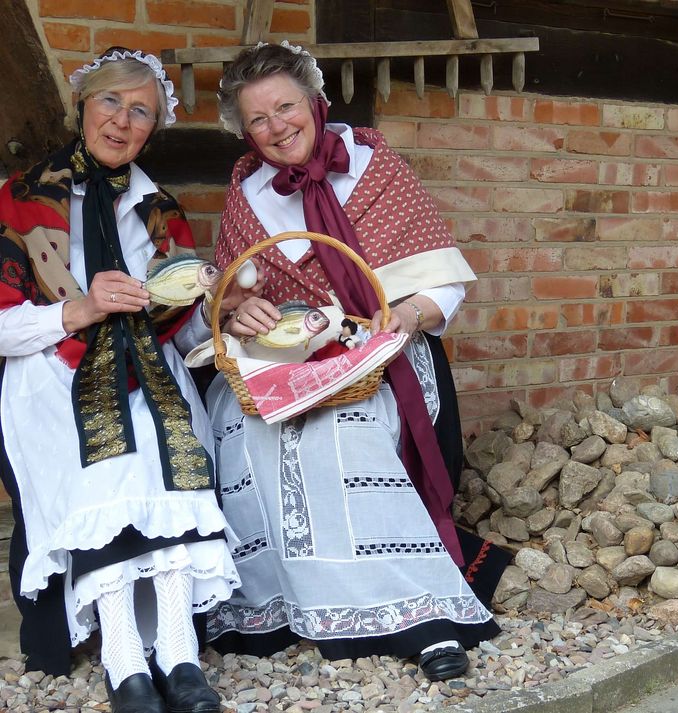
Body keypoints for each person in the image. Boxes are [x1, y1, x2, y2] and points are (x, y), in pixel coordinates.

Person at [205, 41, 508, 682]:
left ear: (314, 103)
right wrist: (240, 316)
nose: (276, 127)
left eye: (286, 107)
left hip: (384, 350)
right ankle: (286, 603)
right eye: (257, 120)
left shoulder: (376, 170)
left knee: (339, 435)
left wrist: (406, 316)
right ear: (243, 129)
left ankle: (418, 614)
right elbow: (233, 300)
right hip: (289, 360)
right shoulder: (247, 195)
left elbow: (442, 285)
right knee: (245, 424)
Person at [0, 48, 248, 713]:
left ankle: (177, 655)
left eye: (141, 111)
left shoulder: (160, 209)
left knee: (159, 433)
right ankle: (124, 660)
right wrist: (79, 307)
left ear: (153, 127)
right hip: (52, 370)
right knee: (107, 451)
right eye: (111, 101)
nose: (122, 120)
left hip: (146, 370)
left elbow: (186, 329)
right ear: (82, 103)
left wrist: (223, 315)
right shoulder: (22, 200)